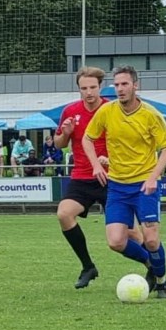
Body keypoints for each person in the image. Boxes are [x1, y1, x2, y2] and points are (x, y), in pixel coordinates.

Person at [83, 65, 166, 299]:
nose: (120, 89)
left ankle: (162, 282)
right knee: (115, 241)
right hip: (117, 185)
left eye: (125, 84)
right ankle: (150, 265)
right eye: (116, 85)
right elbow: (87, 138)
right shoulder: (107, 111)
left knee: (152, 239)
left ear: (136, 85)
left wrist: (154, 177)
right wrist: (95, 164)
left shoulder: (151, 114)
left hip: (144, 185)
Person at [55, 66, 144, 289]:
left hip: (112, 177)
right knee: (64, 214)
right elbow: (59, 144)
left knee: (131, 233)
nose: (88, 92)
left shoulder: (113, 109)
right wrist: (65, 133)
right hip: (82, 177)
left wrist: (108, 159)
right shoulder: (70, 111)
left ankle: (154, 265)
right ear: (79, 89)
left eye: (93, 87)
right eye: (84, 88)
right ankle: (88, 266)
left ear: (101, 87)